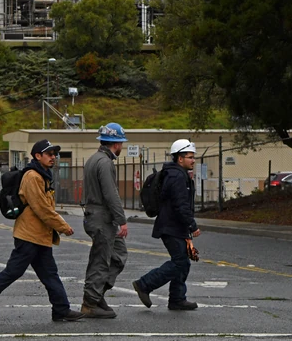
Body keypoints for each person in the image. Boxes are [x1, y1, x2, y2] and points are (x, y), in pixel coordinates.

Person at [0, 139, 84, 323]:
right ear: (38, 156)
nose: (53, 157)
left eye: (54, 154)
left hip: (39, 236)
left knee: (50, 274)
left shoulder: (42, 174)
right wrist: (62, 226)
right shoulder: (33, 176)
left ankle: (61, 309)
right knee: (13, 271)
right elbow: (42, 208)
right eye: (49, 154)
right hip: (29, 236)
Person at [132, 138, 201, 311]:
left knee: (183, 262)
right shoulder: (177, 176)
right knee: (179, 262)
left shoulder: (176, 174)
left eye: (193, 157)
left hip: (175, 227)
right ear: (180, 158)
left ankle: (177, 299)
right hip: (171, 227)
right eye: (190, 157)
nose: (193, 160)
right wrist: (192, 225)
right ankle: (144, 284)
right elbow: (180, 205)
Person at [79, 123, 129, 318]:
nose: (121, 147)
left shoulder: (93, 159)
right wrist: (121, 219)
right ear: (116, 144)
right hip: (102, 218)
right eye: (121, 143)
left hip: (94, 215)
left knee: (118, 254)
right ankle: (91, 302)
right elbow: (111, 194)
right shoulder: (105, 163)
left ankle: (96, 294)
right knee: (101, 260)